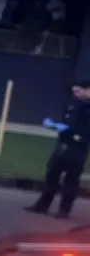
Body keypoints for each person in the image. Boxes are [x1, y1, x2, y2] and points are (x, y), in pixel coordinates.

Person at [26, 80, 90, 218]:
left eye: (78, 91)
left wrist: (71, 131)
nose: (75, 94)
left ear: (88, 90)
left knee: (71, 180)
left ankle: (64, 210)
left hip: (78, 148)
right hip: (62, 144)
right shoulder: (72, 105)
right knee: (52, 176)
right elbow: (66, 122)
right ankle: (42, 205)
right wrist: (55, 125)